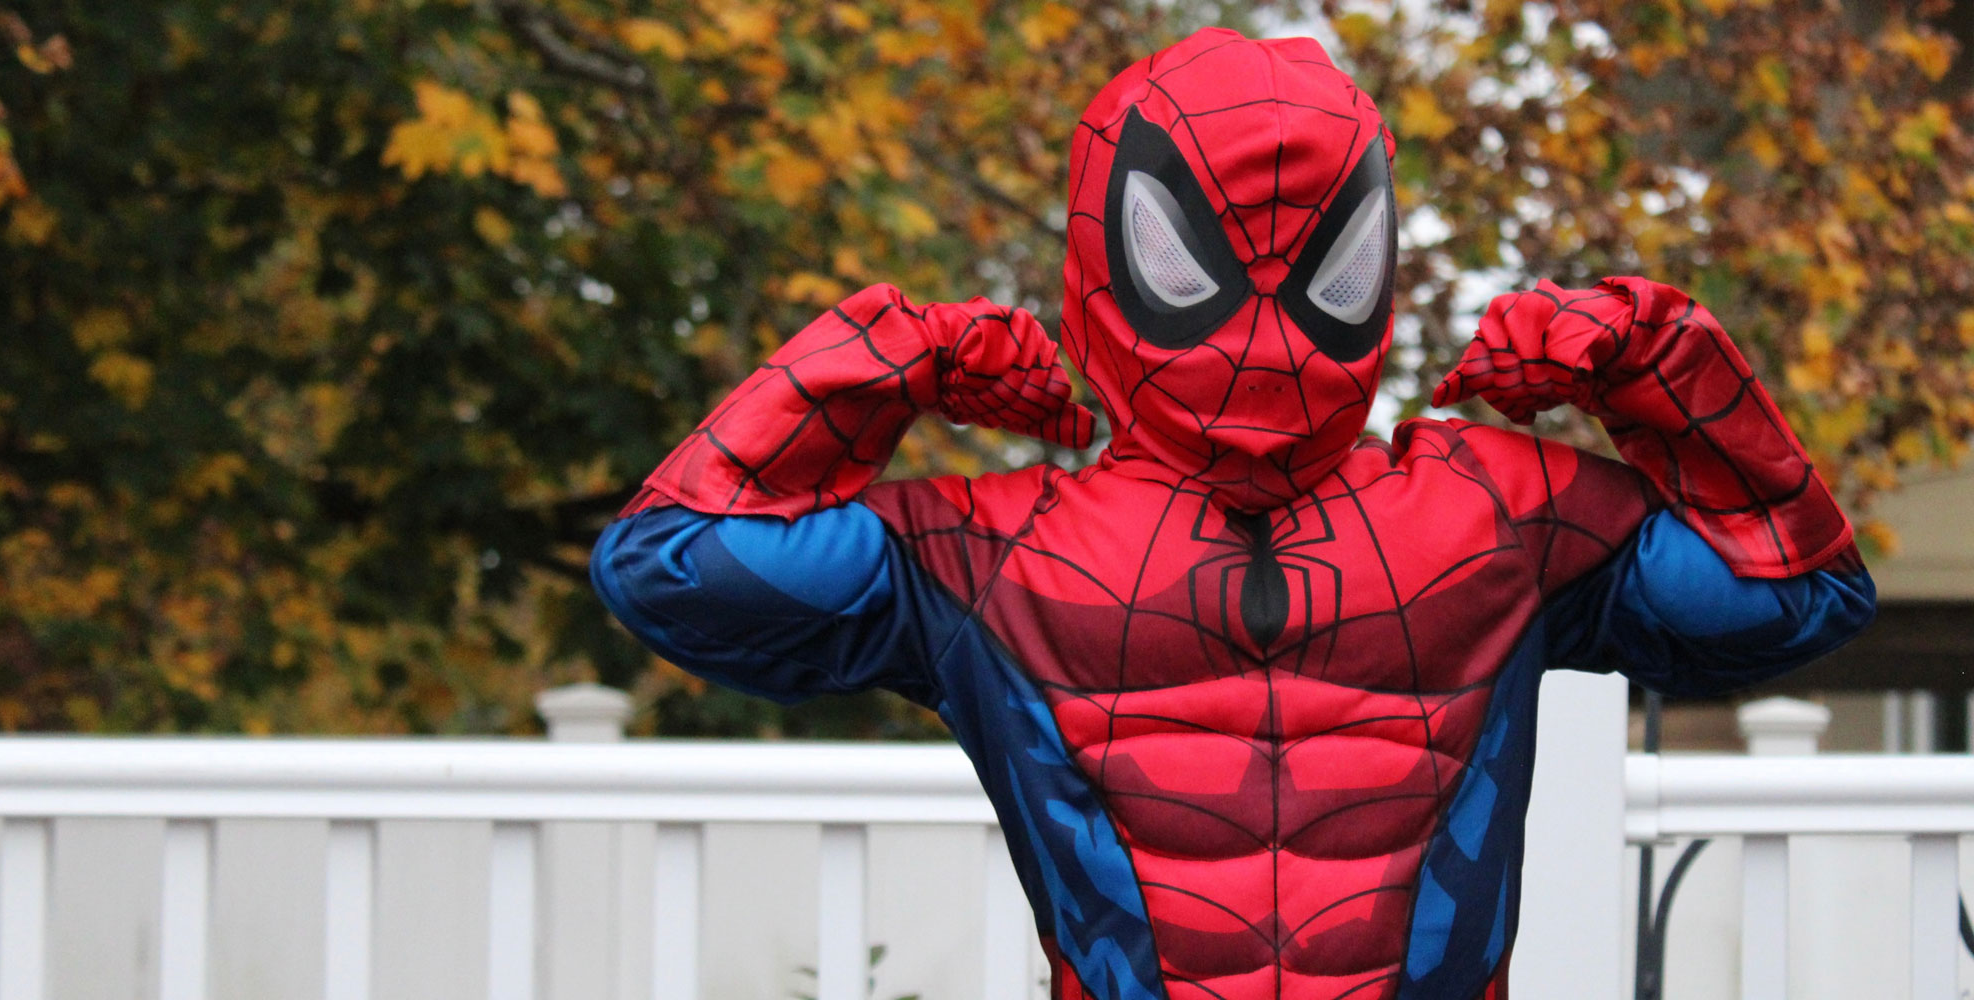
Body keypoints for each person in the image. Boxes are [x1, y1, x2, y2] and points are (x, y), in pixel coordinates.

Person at [590, 27, 1874, 1000]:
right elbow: (1790, 587)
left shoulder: (992, 549)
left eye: (1311, 264)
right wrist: (1652, 362)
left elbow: (677, 559)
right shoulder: (1499, 511)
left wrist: (892, 360)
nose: (1262, 329)